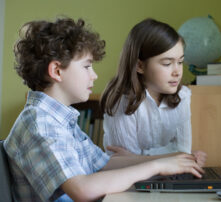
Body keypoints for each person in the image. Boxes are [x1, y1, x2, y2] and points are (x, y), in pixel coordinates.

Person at [4, 17, 204, 202]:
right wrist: (157, 166)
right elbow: (82, 189)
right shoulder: (41, 123)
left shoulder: (60, 121)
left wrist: (174, 159)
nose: (94, 76)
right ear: (57, 71)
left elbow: (103, 163)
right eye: (86, 66)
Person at [101, 18, 207, 166]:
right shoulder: (122, 100)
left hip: (165, 179)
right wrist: (174, 157)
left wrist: (139, 157)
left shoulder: (182, 95)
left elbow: (183, 151)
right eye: (167, 63)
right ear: (140, 66)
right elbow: (125, 165)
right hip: (126, 183)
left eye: (180, 62)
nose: (177, 72)